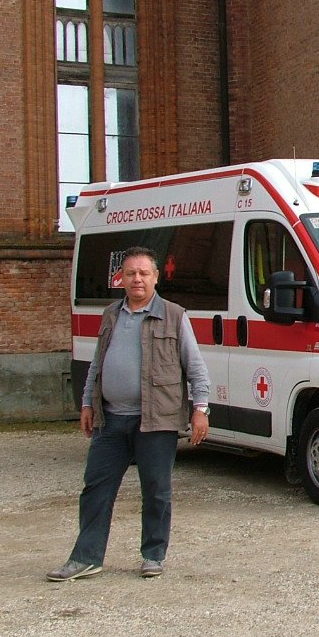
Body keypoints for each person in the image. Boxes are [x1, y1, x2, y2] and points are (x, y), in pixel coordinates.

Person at [47, 246, 210, 581]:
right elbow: (97, 363)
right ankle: (86, 557)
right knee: (96, 488)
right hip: (111, 419)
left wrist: (201, 409)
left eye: (144, 273)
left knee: (156, 489)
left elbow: (195, 368)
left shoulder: (175, 315)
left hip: (156, 421)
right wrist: (87, 403)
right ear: (121, 278)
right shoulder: (111, 314)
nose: (137, 279)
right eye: (131, 273)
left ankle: (153, 555)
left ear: (155, 277)